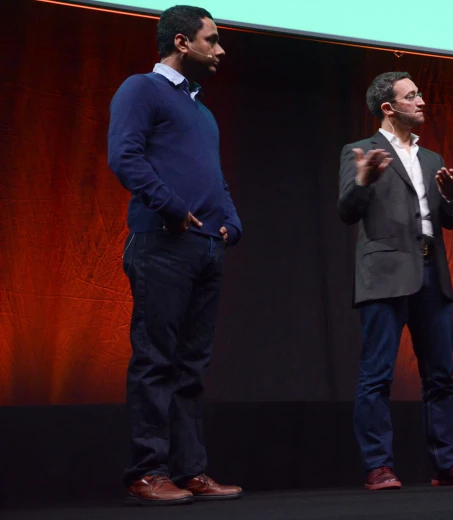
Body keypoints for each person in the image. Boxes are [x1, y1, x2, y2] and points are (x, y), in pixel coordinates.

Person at [108, 5, 243, 505]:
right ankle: (147, 471)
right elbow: (124, 155)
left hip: (207, 246)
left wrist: (232, 221)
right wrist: (171, 206)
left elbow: (214, 174)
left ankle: (190, 470)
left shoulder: (202, 111)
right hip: (162, 242)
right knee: (156, 360)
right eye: (212, 40)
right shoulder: (141, 89)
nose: (220, 49)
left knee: (190, 366)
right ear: (183, 43)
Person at [337, 71, 453, 490]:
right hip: (385, 276)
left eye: (420, 94)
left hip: (431, 272)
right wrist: (364, 182)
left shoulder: (433, 160)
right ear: (388, 108)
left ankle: (447, 463)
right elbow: (347, 211)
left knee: (441, 376)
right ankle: (378, 466)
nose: (422, 101)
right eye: (412, 96)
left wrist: (450, 196)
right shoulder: (359, 151)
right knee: (377, 375)